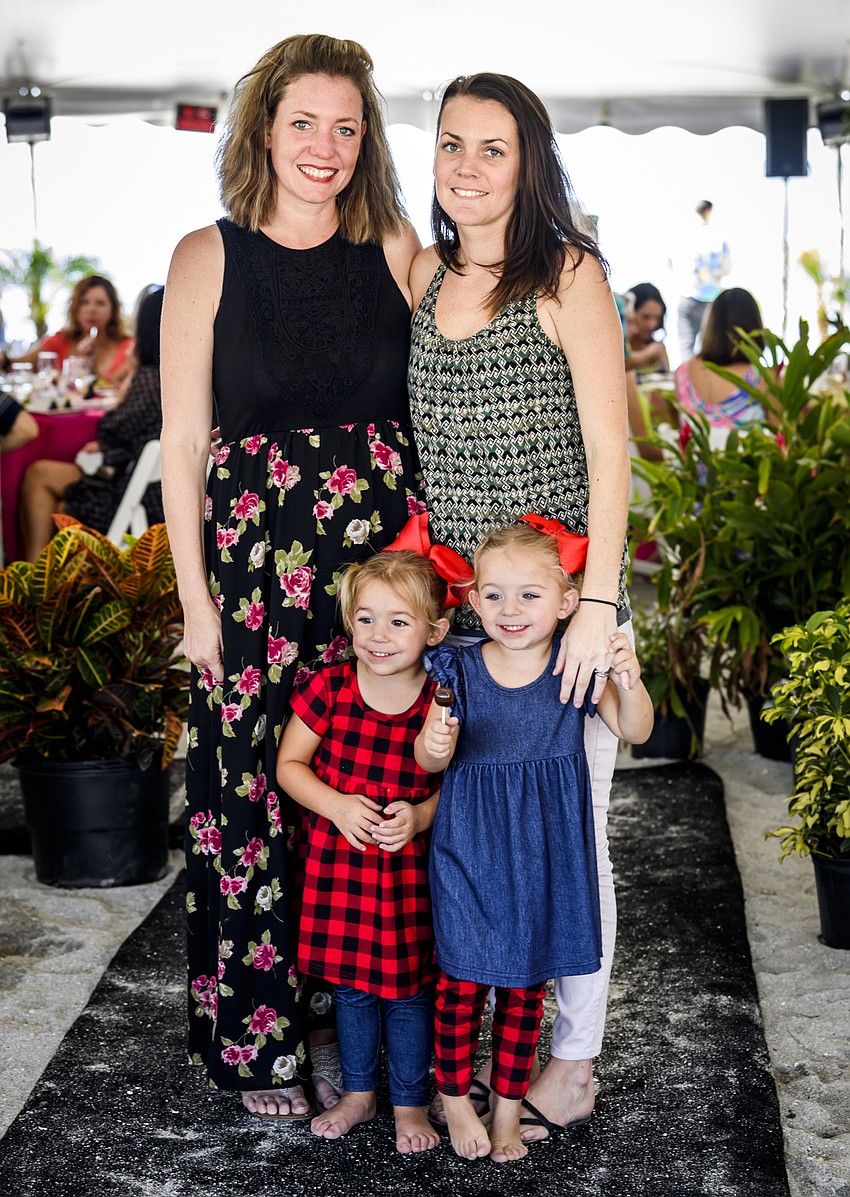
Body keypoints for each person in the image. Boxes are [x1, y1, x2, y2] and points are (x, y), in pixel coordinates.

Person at [160, 33, 423, 1120]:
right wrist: (194, 603)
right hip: (250, 576)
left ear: (368, 142)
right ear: (263, 129)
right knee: (247, 796)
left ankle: (354, 1023)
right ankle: (260, 1035)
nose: (326, 146)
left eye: (346, 127)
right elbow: (183, 445)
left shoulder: (396, 247)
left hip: (376, 579)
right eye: (304, 122)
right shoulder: (205, 256)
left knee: (365, 783)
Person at [406, 72, 632, 1140]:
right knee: (472, 840)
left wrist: (599, 606)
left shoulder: (567, 272)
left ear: (529, 160)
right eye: (451, 143)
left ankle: (572, 1061)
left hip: (560, 612)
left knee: (571, 840)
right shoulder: (421, 273)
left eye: (492, 147)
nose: (467, 166)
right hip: (463, 620)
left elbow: (612, 454)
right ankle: (469, 1054)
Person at [415, 519, 653, 1163]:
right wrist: (434, 744)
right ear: (472, 600)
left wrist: (629, 679)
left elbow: (635, 730)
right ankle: (456, 1098)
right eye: (494, 595)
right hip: (469, 851)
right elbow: (429, 758)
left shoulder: (574, 668)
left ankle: (507, 1111)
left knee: (525, 993)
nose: (510, 610)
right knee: (461, 982)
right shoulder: (459, 667)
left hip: (544, 858)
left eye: (530, 595)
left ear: (568, 602)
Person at [276, 548, 454, 1153]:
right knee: (351, 991)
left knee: (410, 993)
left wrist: (421, 816)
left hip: (409, 876)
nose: (378, 635)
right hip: (341, 872)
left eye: (399, 622)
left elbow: (463, 785)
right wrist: (337, 805)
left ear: (435, 632)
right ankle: (359, 1093)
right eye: (365, 619)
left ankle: (410, 1103)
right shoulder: (330, 687)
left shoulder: (442, 698)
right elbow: (289, 766)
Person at [17, 286, 165, 562]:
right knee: (50, 491)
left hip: (129, 494)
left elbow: (112, 431)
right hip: (149, 490)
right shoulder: (166, 376)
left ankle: (34, 569)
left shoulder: (148, 378)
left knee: (41, 480)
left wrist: (131, 376)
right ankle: (45, 573)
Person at [1, 275, 135, 386]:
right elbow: (18, 366)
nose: (92, 309)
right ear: (75, 308)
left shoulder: (130, 348)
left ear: (113, 309)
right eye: (84, 302)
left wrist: (88, 362)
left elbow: (116, 387)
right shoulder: (60, 340)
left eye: (100, 303)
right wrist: (4, 360)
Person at [675, 286, 768, 429]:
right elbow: (780, 437)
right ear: (754, 326)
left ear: (710, 325)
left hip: (695, 446)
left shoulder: (683, 372)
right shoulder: (763, 378)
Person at [671, 200, 732, 361]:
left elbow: (672, 264)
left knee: (686, 348)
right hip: (712, 299)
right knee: (711, 350)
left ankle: (686, 377)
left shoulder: (685, 235)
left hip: (687, 296)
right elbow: (727, 268)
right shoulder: (718, 237)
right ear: (710, 211)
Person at [624, 281, 669, 375]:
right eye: (646, 317)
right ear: (630, 313)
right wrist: (646, 356)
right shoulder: (619, 349)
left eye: (657, 318)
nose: (652, 325)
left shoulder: (658, 348)